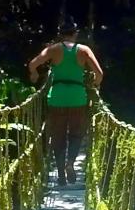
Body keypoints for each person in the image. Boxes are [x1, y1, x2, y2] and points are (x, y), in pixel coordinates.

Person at [28, 20, 105, 186]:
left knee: (58, 136)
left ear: (60, 34)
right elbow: (99, 73)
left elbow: (33, 64)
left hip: (57, 98)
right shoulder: (84, 50)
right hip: (78, 97)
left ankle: (61, 172)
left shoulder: (53, 49)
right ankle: (70, 163)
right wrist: (95, 85)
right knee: (76, 134)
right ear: (75, 34)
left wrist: (34, 74)